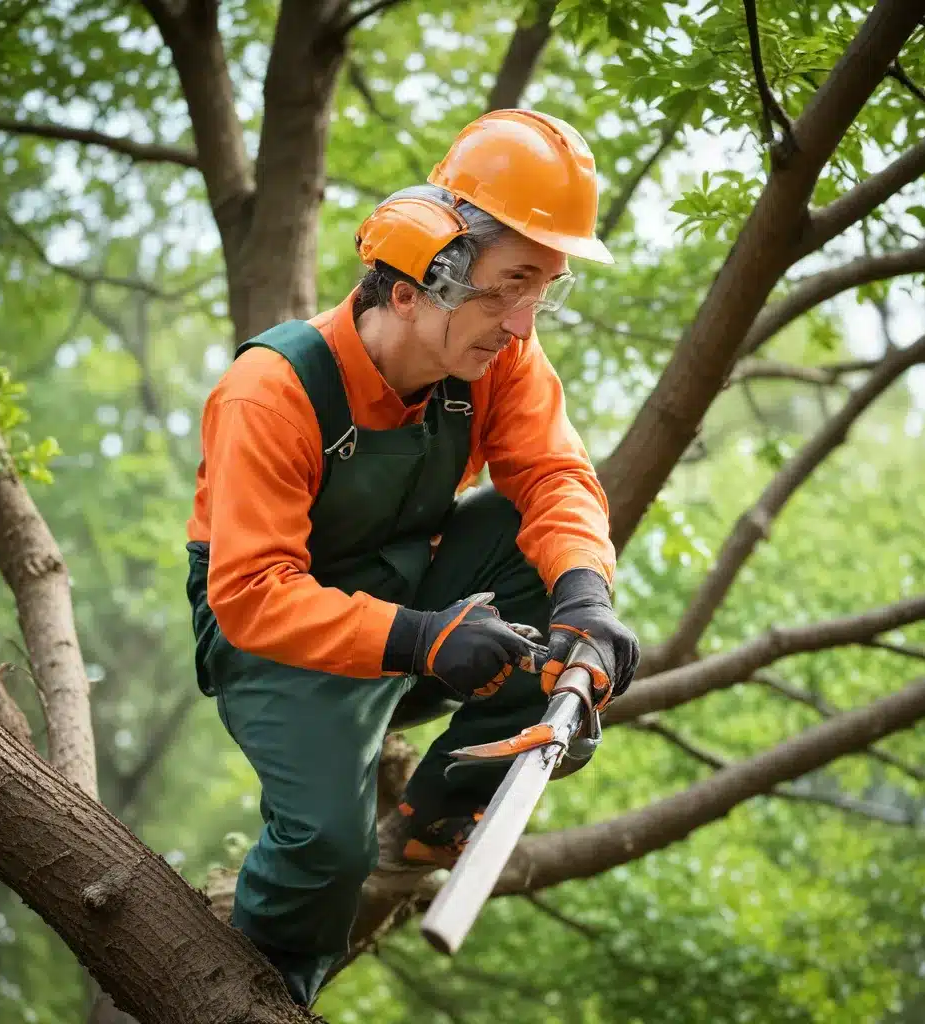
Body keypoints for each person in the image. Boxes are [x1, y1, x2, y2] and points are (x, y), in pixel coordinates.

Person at [184, 108, 640, 1008]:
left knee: (535, 540)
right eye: (512, 285)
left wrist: (586, 599)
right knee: (327, 846)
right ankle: (261, 983)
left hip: (406, 594)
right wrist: (423, 639)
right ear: (415, 282)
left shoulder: (501, 358)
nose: (521, 322)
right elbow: (251, 595)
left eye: (542, 290)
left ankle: (439, 810)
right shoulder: (269, 393)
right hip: (272, 634)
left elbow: (553, 474)